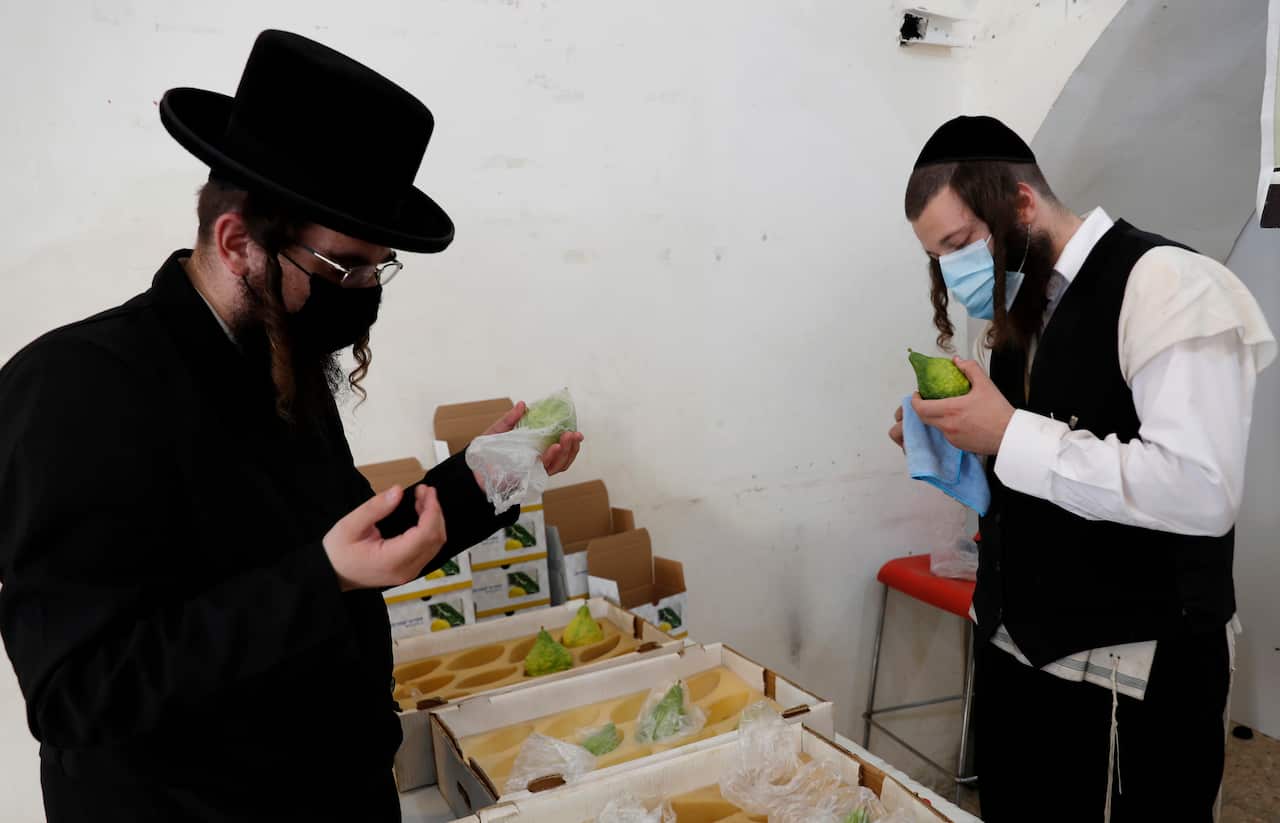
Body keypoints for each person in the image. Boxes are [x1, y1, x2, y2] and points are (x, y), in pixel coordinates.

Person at [0, 30, 582, 822]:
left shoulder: (281, 357)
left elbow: (353, 547)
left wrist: (490, 477)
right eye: (346, 268)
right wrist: (321, 577)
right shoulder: (73, 390)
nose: (366, 292)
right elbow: (80, 690)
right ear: (238, 242)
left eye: (380, 268)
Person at [888, 115, 1275, 822]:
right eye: (937, 257)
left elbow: (1202, 489)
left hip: (1136, 665)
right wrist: (962, 443)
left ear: (1021, 205)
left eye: (960, 244)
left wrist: (1009, 431)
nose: (954, 272)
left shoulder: (1168, 285)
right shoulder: (1011, 316)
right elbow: (1039, 463)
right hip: (1017, 649)